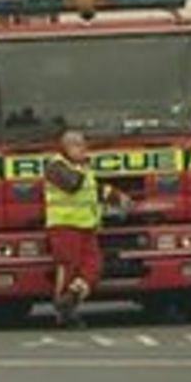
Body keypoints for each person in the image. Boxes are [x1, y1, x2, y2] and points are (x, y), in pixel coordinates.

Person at [44, 130, 131, 328]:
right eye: (80, 146)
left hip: (86, 227)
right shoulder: (55, 166)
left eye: (84, 146)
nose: (85, 150)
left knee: (93, 267)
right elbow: (73, 184)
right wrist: (83, 166)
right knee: (68, 265)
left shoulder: (81, 167)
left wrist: (118, 198)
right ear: (68, 147)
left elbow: (95, 189)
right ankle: (64, 313)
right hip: (64, 226)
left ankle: (71, 298)